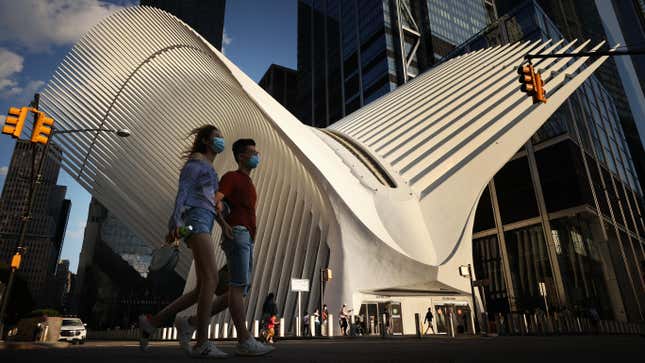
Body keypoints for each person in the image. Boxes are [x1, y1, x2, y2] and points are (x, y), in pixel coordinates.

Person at [137, 125, 229, 358]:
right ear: (207, 142)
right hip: (195, 220)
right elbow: (183, 193)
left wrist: (224, 222)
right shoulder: (195, 165)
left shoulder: (209, 168)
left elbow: (211, 202)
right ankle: (202, 342)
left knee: (201, 287)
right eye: (217, 138)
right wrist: (174, 223)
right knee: (212, 278)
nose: (221, 141)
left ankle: (152, 322)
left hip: (205, 220)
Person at [215, 138, 273, 356]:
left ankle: (191, 322)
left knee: (238, 289)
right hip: (238, 234)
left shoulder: (249, 182)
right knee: (238, 287)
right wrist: (224, 225)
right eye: (252, 152)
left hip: (246, 237)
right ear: (241, 156)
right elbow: (216, 200)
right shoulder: (232, 177)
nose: (257, 155)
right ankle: (244, 339)